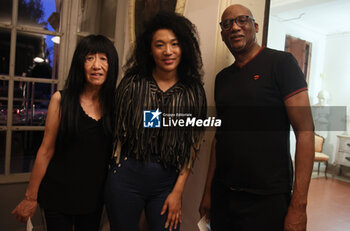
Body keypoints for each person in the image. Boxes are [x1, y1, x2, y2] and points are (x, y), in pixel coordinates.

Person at [199, 4, 314, 231]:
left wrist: (299, 206)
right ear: (222, 34)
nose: (234, 27)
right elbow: (219, 139)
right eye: (227, 24)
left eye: (242, 20)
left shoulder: (282, 64)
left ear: (256, 26)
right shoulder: (222, 79)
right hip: (224, 196)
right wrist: (208, 192)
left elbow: (305, 132)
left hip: (267, 200)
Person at [105, 11, 206, 231]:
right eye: (159, 45)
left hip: (166, 184)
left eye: (175, 44)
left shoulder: (194, 91)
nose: (168, 51)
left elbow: (192, 146)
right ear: (150, 50)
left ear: (184, 48)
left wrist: (177, 192)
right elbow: (119, 129)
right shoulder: (132, 83)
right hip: (125, 177)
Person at [12, 34, 119, 231]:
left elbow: (144, 123)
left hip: (93, 199)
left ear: (111, 65)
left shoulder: (116, 105)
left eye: (103, 58)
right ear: (80, 64)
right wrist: (30, 197)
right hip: (57, 196)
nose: (97, 65)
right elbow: (45, 150)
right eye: (90, 58)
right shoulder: (61, 100)